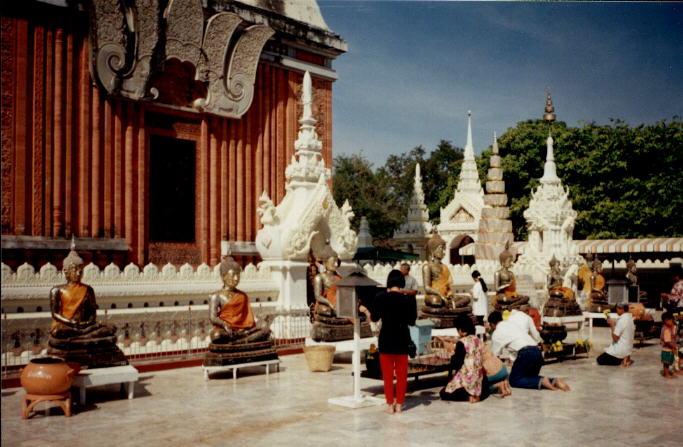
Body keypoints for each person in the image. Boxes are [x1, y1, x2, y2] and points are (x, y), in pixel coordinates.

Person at [360, 270, 417, 414]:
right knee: (402, 375)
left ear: (389, 283)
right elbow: (412, 321)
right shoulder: (408, 300)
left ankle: (390, 405)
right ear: (402, 283)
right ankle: (400, 404)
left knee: (387, 376)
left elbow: (374, 319)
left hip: (386, 339)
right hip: (403, 339)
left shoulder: (380, 298)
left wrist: (365, 311)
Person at [488, 310, 570, 391]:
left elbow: (495, 358)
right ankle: (554, 381)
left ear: (492, 324)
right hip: (537, 352)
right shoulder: (511, 324)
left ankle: (542, 381)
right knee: (528, 378)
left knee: (514, 380)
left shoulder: (496, 333)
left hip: (526, 354)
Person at [440, 315, 490, 403]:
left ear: (460, 330)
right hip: (478, 379)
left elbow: (456, 364)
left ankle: (470, 397)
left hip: (467, 380)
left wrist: (452, 353)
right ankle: (477, 394)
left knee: (444, 393)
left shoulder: (462, 343)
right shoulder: (477, 340)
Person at [660, 312, 678, 379]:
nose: (670, 322)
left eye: (671, 320)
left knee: (668, 362)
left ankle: (666, 373)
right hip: (667, 349)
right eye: (667, 320)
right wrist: (673, 346)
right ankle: (666, 374)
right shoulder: (666, 329)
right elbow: (667, 341)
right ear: (664, 321)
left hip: (669, 348)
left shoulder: (669, 328)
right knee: (666, 363)